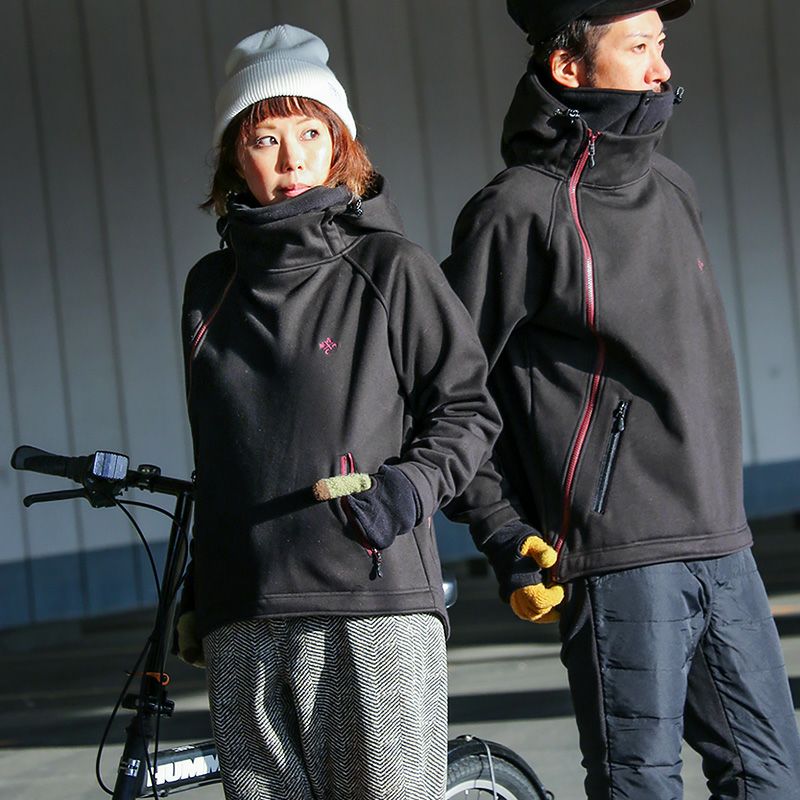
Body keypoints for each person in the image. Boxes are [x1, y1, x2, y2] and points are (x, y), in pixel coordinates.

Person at [442, 1, 800, 797]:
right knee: (640, 787)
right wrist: (504, 531)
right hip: (617, 558)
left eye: (661, 45)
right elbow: (441, 392)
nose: (662, 70)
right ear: (569, 67)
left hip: (724, 541)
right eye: (639, 47)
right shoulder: (517, 210)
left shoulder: (674, 186)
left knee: (773, 780)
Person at [175, 24, 501, 800]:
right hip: (244, 612)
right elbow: (220, 454)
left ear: (340, 146)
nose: (291, 160)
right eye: (265, 139)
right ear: (234, 157)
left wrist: (405, 493)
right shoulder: (208, 290)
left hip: (370, 601)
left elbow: (467, 409)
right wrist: (201, 585)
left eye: (311, 134)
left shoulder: (390, 266)